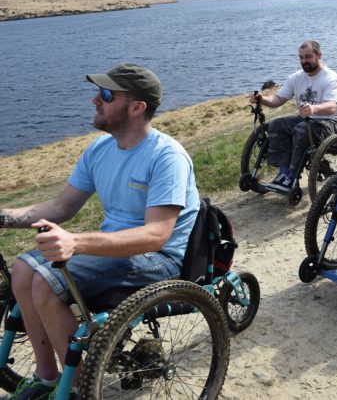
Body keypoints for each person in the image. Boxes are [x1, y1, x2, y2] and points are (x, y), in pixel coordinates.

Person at [0, 63, 199, 399]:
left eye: (106, 94)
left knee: (44, 282)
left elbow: (155, 235)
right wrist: (4, 217)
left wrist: (75, 242)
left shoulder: (167, 157)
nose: (95, 100)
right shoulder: (99, 150)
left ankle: (77, 390)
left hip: (157, 258)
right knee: (22, 269)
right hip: (118, 250)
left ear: (137, 107)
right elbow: (62, 206)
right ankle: (47, 377)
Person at [248, 40, 337, 191]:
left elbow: (332, 106)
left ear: (319, 55)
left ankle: (292, 176)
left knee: (301, 129)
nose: (304, 61)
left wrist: (314, 109)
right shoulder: (296, 77)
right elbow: (279, 99)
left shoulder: (332, 78)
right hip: (306, 119)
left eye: (308, 57)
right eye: (301, 57)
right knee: (276, 125)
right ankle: (283, 174)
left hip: (330, 123)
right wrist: (262, 99)